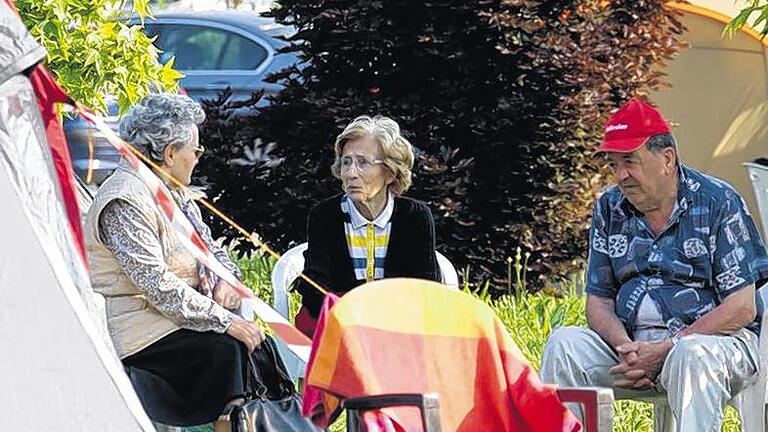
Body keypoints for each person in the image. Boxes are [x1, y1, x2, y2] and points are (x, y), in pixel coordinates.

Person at [540, 98, 768, 431]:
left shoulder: (718, 200)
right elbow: (599, 301)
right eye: (614, 164)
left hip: (715, 344)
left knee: (692, 355)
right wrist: (627, 348)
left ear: (667, 159)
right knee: (564, 346)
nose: (621, 175)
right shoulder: (609, 206)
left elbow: (741, 308)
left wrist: (668, 347)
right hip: (631, 349)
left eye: (629, 161)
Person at [84, 93, 264, 427]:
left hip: (175, 323)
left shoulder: (174, 194)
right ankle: (234, 422)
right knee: (227, 349)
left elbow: (214, 253)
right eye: (195, 150)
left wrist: (226, 281)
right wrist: (223, 320)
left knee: (254, 348)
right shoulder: (125, 199)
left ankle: (247, 421)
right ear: (170, 154)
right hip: (139, 333)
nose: (197, 158)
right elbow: (157, 284)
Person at [294, 115, 441, 337]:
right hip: (340, 325)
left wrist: (380, 315)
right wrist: (358, 314)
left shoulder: (415, 216)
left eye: (362, 162)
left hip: (401, 327)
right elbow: (313, 290)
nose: (351, 173)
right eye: (346, 162)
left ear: (390, 172)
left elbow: (427, 289)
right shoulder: (325, 215)